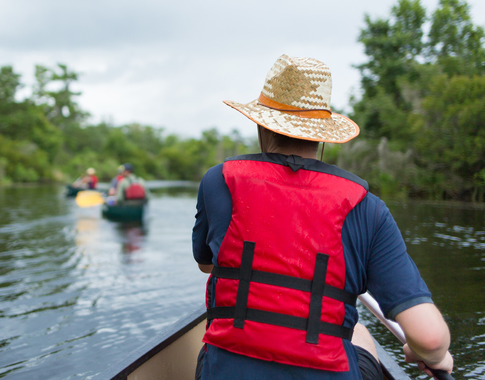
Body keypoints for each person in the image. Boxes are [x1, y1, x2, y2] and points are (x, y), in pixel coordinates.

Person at [192, 55, 453, 380]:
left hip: (228, 372)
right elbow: (429, 337)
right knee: (358, 333)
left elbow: (207, 263)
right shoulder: (367, 208)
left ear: (261, 124)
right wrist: (434, 354)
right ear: (323, 135)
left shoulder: (218, 182)